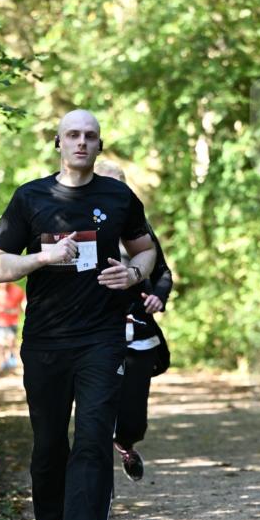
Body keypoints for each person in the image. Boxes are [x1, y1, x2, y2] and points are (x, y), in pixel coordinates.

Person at [0, 109, 156, 520]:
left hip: (101, 338)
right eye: (73, 135)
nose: (81, 142)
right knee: (49, 446)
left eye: (90, 136)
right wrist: (43, 257)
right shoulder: (31, 197)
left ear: (100, 145)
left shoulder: (118, 196)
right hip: (46, 342)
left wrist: (134, 273)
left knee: (93, 438)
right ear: (58, 143)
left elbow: (146, 249)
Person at [95, 160, 172, 481]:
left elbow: (163, 272)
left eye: (121, 187)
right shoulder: (79, 227)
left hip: (138, 331)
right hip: (95, 330)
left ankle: (125, 443)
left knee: (133, 419)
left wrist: (159, 297)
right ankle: (94, 477)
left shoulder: (140, 229)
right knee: (95, 411)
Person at [0, 281, 25, 371]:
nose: (2, 284)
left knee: (10, 343)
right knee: (0, 344)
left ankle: (10, 363)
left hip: (13, 322)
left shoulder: (17, 290)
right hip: (0, 323)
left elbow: (22, 305)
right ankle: (0, 365)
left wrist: (12, 311)